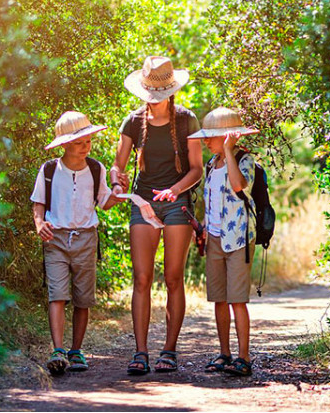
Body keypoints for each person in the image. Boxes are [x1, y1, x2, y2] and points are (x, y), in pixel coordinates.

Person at [110, 56, 203, 374]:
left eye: (159, 93)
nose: (154, 99)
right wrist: (115, 179)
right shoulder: (133, 122)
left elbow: (196, 170)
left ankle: (169, 350)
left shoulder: (187, 119)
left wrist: (175, 190)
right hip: (142, 204)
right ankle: (140, 353)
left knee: (174, 278)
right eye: (150, 92)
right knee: (142, 279)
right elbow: (117, 165)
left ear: (170, 91)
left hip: (177, 205)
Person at [31, 110, 128, 375]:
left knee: (83, 298)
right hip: (56, 239)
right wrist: (39, 224)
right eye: (79, 142)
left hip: (86, 238)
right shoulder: (50, 169)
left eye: (88, 141)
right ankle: (58, 350)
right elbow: (38, 202)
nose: (86, 146)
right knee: (57, 295)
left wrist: (121, 192)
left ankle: (76, 351)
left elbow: (105, 202)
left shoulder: (96, 169)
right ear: (64, 144)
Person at [187, 107, 259, 377]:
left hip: (238, 238)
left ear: (228, 137)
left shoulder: (244, 160)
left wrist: (229, 151)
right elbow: (211, 202)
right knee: (219, 299)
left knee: (237, 300)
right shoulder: (209, 165)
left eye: (212, 137)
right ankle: (224, 352)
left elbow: (239, 186)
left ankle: (244, 356)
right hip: (215, 237)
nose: (206, 142)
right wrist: (203, 229)